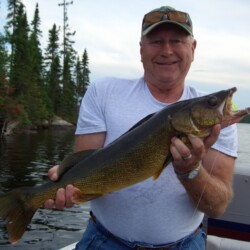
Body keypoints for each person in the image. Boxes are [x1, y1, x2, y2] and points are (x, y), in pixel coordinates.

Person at [44, 5, 238, 250]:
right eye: (156, 41)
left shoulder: (218, 124)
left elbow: (217, 207)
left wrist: (190, 171)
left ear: (193, 47)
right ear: (141, 50)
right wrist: (66, 188)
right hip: (104, 241)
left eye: (176, 40)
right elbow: (86, 169)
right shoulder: (103, 93)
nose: (167, 50)